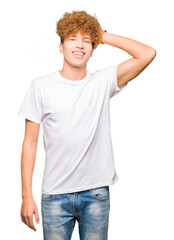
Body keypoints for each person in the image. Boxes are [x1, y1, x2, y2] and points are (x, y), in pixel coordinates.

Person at [18, 10, 156, 240]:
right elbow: (29, 143)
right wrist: (26, 196)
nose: (79, 45)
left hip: (96, 194)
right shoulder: (40, 86)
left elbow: (147, 54)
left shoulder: (102, 82)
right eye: (72, 38)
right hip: (55, 197)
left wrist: (102, 35)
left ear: (93, 50)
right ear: (60, 46)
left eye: (86, 41)